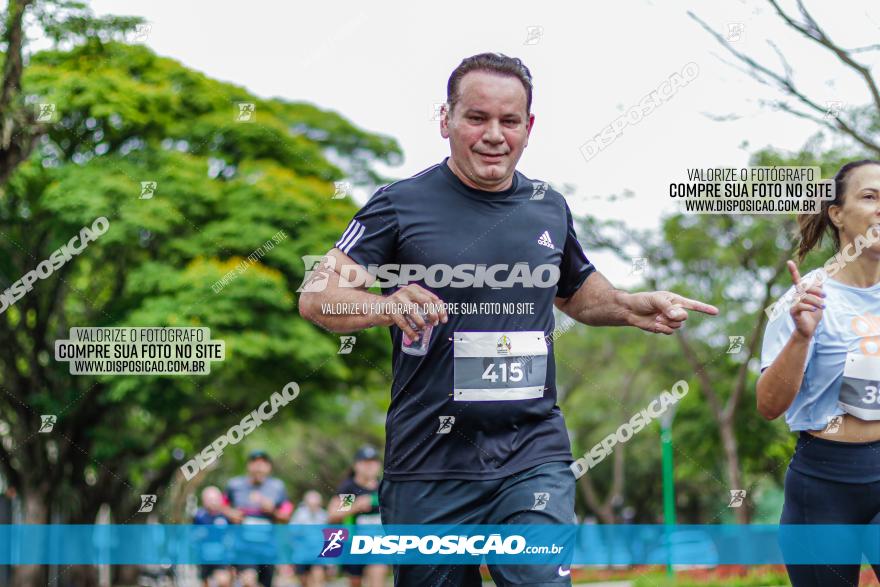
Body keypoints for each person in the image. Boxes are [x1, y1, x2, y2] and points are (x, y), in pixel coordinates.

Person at [298, 52, 718, 586]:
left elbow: (577, 294)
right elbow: (317, 295)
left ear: (529, 127)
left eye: (509, 120)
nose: (493, 135)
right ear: (445, 120)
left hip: (531, 449)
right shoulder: (399, 205)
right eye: (476, 118)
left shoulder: (548, 207)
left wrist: (630, 306)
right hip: (430, 460)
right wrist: (386, 306)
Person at [758, 159, 880, 587]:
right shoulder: (805, 298)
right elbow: (769, 405)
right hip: (824, 485)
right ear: (837, 214)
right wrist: (801, 338)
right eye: (870, 196)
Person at [223, 450, 293, 587]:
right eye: (255, 463)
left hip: (268, 548)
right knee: (248, 581)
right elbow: (221, 505)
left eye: (263, 464)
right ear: (249, 466)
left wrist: (272, 510)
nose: (259, 467)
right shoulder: (234, 485)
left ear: (269, 467)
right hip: (244, 546)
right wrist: (231, 513)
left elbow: (286, 516)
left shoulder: (278, 487)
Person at [326, 446, 387, 587]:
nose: (370, 466)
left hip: (378, 544)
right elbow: (333, 515)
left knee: (377, 579)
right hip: (353, 545)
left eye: (374, 462)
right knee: (355, 582)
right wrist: (355, 507)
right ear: (356, 465)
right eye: (365, 462)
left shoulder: (384, 486)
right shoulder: (350, 488)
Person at [193, 486, 233, 587]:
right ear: (204, 501)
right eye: (209, 499)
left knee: (223, 581)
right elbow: (193, 536)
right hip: (204, 556)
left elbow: (232, 535)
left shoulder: (226, 516)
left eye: (215, 499)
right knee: (205, 582)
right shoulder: (199, 516)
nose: (212, 502)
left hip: (221, 556)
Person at [290, 490, 329, 587]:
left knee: (317, 580)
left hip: (318, 555)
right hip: (302, 555)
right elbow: (292, 534)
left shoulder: (324, 516)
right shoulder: (299, 515)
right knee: (304, 581)